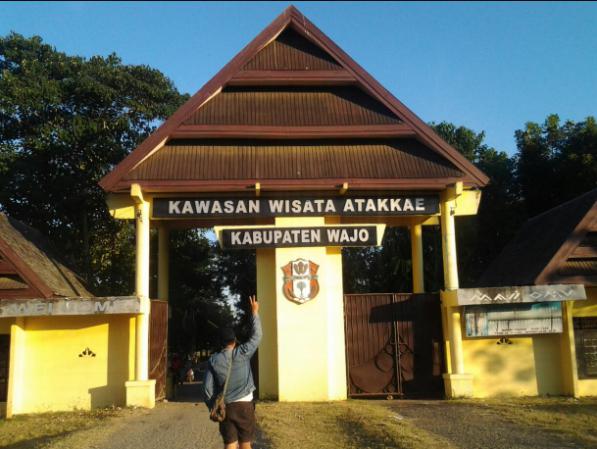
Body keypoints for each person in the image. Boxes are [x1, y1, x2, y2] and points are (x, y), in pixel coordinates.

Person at [203, 295, 262, 449]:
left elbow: (207, 389)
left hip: (225, 407)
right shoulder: (242, 352)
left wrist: (213, 406)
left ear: (220, 343)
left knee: (230, 444)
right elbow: (257, 336)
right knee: (245, 444)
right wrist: (254, 312)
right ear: (235, 340)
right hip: (245, 406)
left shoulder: (213, 360)